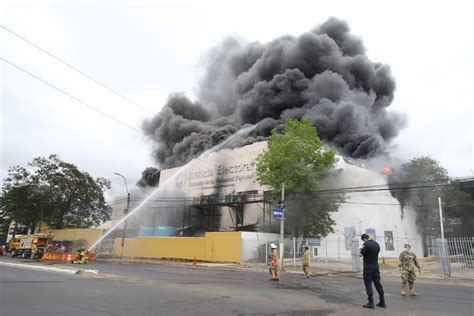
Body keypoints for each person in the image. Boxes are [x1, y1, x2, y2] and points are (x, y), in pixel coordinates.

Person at [360, 234, 386, 309]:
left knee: (368, 284)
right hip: (375, 267)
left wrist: (361, 249)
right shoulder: (377, 244)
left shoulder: (366, 244)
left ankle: (370, 303)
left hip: (368, 268)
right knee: (378, 283)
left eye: (363, 240)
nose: (363, 241)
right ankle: (382, 301)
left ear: (364, 238)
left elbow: (360, 254)